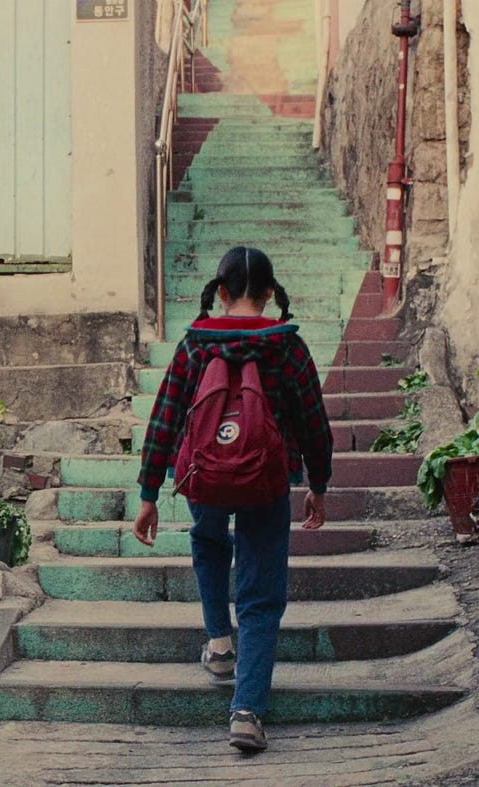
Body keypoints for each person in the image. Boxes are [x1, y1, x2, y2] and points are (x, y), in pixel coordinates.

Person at [133, 246, 333, 753]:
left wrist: (149, 492)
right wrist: (318, 485)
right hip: (266, 480)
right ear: (269, 295)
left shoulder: (195, 345)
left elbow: (165, 417)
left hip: (204, 473)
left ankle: (219, 644)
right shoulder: (288, 347)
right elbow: (314, 424)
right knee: (261, 594)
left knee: (208, 543)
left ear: (221, 294)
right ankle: (246, 712)